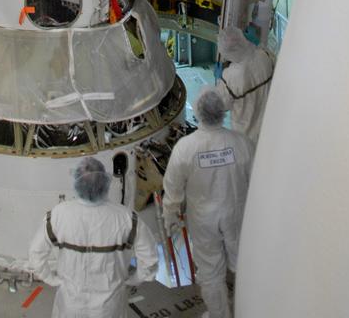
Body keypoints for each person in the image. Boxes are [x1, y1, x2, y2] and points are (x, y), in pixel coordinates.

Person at [162, 88, 253, 318]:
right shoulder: (242, 143)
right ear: (222, 112)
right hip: (237, 214)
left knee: (211, 272)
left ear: (199, 113)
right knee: (244, 264)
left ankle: (220, 315)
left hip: (202, 220)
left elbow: (172, 187)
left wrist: (170, 215)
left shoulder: (185, 148)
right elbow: (256, 180)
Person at [28, 155, 158, 317]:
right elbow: (150, 260)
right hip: (110, 308)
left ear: (76, 183)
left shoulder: (58, 215)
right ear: (105, 183)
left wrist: (52, 279)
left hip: (70, 306)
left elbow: (36, 254)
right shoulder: (127, 218)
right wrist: (133, 280)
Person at [213, 25, 275, 145]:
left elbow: (220, 105)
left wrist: (220, 80)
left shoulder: (231, 76)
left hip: (246, 134)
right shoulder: (263, 55)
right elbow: (274, 61)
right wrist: (258, 43)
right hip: (269, 124)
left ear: (225, 51)